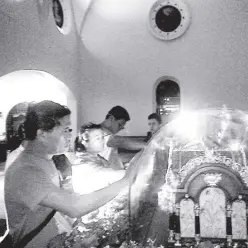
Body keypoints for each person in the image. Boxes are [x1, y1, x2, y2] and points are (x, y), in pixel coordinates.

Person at [4, 101, 138, 248]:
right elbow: (74, 207)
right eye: (65, 130)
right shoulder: (25, 169)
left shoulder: (48, 159)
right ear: (42, 134)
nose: (70, 136)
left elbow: (59, 204)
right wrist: (126, 180)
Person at [75, 106, 146, 169]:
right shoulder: (100, 132)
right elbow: (122, 142)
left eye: (122, 127)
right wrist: (148, 146)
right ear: (111, 118)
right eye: (120, 124)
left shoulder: (108, 134)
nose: (121, 128)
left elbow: (112, 156)